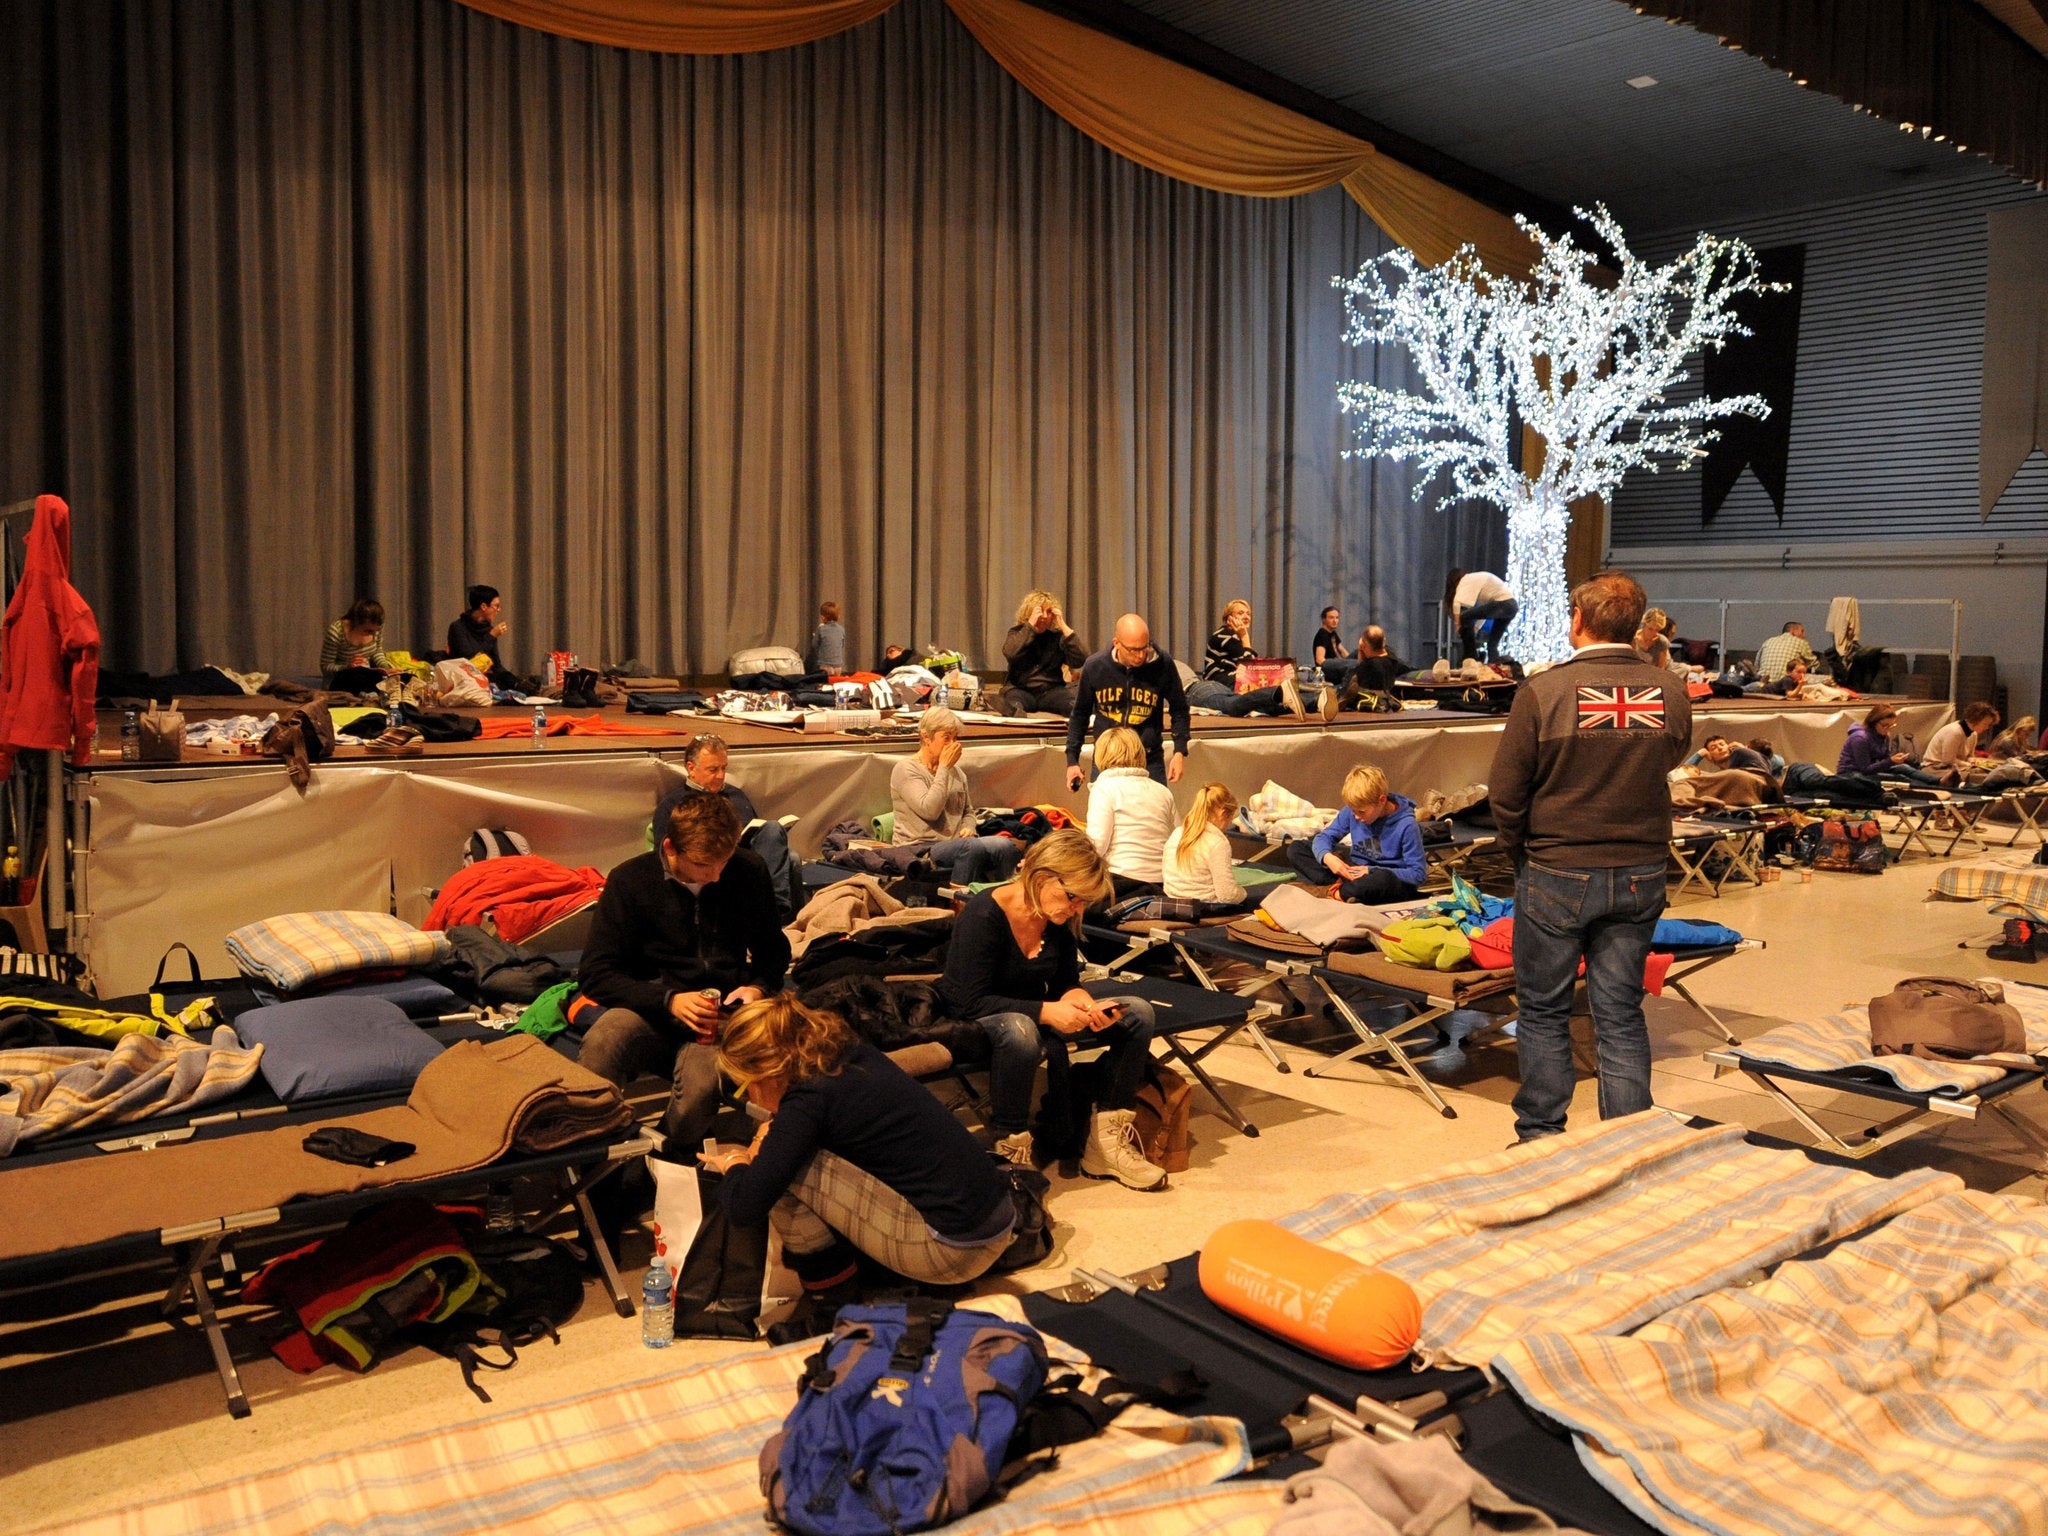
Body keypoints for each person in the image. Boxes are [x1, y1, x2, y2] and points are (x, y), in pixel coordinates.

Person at [1490, 569, 1690, 1143]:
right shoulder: (1670, 692)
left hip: (1556, 869)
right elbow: (1670, 758)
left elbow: (1506, 792)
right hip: (1641, 871)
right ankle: (1627, 1146)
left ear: (1577, 619)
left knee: (1546, 1012)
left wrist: (1521, 854)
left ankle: (1541, 1140)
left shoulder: (1544, 692)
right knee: (1620, 1012)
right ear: (1637, 628)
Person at [704, 995, 1015, 1323]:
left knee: (784, 1171)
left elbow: (744, 1206)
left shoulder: (809, 1100)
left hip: (957, 1252)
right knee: (786, 1152)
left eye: (744, 1087)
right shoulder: (849, 1051)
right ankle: (863, 1278)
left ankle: (831, 1301)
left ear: (768, 1071)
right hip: (996, 1221)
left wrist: (736, 1161)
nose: (749, 1096)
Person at [936, 829, 1167, 1189]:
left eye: (1082, 903)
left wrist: (1081, 1000)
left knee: (1137, 1012)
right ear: (1042, 877)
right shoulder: (983, 915)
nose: (1076, 909)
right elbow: (966, 1001)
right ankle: (1011, 1153)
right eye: (1073, 897)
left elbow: (1064, 984)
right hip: (974, 1023)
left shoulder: (1056, 917)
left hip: (1027, 1016)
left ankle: (1104, 1144)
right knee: (1019, 1029)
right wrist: (1047, 1012)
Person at [577, 793, 790, 1160]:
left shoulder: (748, 870)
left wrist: (757, 987)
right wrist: (669, 1000)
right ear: (671, 847)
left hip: (719, 1014)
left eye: (725, 861)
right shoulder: (630, 881)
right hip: (650, 1006)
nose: (717, 875)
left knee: (701, 1089)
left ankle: (660, 1158)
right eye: (706, 864)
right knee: (602, 1043)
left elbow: (774, 951)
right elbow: (595, 974)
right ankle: (591, 1158)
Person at [653, 733, 800, 920]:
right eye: (713, 770)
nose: (721, 776)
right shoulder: (673, 804)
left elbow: (756, 831)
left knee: (776, 836)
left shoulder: (736, 795)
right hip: (709, 861)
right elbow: (664, 852)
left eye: (724, 768)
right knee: (787, 857)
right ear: (691, 769)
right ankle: (771, 912)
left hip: (743, 857)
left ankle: (777, 911)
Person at [890, 706, 1024, 886]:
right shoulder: (906, 769)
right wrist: (944, 768)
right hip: (920, 846)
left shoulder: (957, 773)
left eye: (955, 738)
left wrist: (969, 828)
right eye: (947, 738)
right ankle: (958, 901)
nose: (953, 744)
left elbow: (968, 811)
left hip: (954, 844)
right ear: (926, 737)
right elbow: (930, 810)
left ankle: (1003, 899)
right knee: (971, 847)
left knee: (1004, 845)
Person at [1065, 613, 1192, 789]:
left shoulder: (1163, 664)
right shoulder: (1095, 666)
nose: (1140, 655)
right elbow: (1079, 715)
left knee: (1154, 814)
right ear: (1117, 643)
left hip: (1149, 758)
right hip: (1107, 759)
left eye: (1144, 647)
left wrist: (1179, 751)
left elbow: (1179, 710)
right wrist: (1072, 760)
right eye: (1133, 649)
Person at [1286, 764, 1426, 903]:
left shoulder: (1407, 825)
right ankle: (1343, 891)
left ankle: (1332, 892)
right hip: (1354, 871)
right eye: (1353, 811)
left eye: (1361, 812)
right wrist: (1328, 858)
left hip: (1385, 879)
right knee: (1297, 848)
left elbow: (1418, 875)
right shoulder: (1353, 811)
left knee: (1383, 879)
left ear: (1382, 801)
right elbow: (1324, 837)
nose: (1356, 816)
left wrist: (1370, 870)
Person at [1187, 600, 1322, 720]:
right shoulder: (1225, 635)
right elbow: (1250, 666)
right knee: (1270, 692)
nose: (1246, 617)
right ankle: (1315, 696)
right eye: (1240, 613)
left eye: (1248, 614)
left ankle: (1318, 697)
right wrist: (1245, 637)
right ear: (1229, 619)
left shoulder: (1234, 636)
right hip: (1222, 682)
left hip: (1234, 681)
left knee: (1281, 685)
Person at [1084, 726, 1177, 895]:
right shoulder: (1163, 791)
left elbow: (1097, 846)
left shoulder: (1103, 788)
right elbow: (1178, 839)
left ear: (1101, 754)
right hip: (1164, 883)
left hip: (1121, 883)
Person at [1000, 590, 1088, 717]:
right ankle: (1013, 712)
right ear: (1029, 613)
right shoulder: (1017, 632)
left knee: (1072, 705)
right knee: (1013, 704)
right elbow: (1010, 653)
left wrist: (1063, 626)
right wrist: (1030, 626)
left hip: (1051, 691)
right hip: (1020, 689)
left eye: (1049, 612)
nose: (1044, 617)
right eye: (1040, 612)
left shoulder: (1058, 637)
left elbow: (1081, 659)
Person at [1161, 783, 1249, 909]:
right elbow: (1228, 895)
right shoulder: (1217, 843)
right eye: (1230, 819)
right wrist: (1243, 892)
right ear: (1223, 813)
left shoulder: (1177, 833)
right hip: (1203, 908)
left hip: (1172, 903)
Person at [1838, 703, 1954, 787]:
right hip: (1851, 773)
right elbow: (1865, 769)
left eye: (1891, 725)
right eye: (1884, 725)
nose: (1888, 729)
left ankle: (1938, 781)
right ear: (1874, 722)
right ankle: (1929, 789)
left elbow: (1884, 760)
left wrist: (1895, 760)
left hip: (1870, 770)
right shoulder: (1860, 738)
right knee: (1899, 778)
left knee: (1904, 768)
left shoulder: (1884, 737)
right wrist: (1891, 761)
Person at [1444, 569, 1517, 664]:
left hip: (1503, 603)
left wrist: (1458, 624)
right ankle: (1495, 668)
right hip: (1512, 606)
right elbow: (1485, 613)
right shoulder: (1476, 581)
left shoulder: (1465, 580)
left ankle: (1471, 656)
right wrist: (1476, 628)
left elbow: (1456, 604)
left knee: (1464, 617)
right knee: (1492, 644)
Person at [319, 599, 395, 686]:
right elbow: (326, 667)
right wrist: (348, 667)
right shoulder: (337, 632)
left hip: (365, 681)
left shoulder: (376, 627)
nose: (373, 634)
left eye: (376, 630)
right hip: (339, 684)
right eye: (368, 631)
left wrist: (386, 669)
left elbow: (376, 651)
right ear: (355, 623)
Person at [447, 584, 509, 671]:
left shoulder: (488, 629)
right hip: (464, 678)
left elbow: (496, 665)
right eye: (496, 606)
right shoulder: (458, 627)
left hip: (486, 677)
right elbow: (470, 662)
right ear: (483, 606)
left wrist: (516, 682)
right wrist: (491, 636)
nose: (498, 610)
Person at [1925, 702, 2000, 770]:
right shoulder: (1954, 731)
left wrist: (1980, 763)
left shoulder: (1973, 734)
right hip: (1934, 767)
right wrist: (1969, 765)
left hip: (1951, 767)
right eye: (1985, 724)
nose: (1987, 728)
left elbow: (1969, 757)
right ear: (1975, 720)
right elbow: (1948, 760)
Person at [1348, 625, 1407, 696]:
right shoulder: (1392, 656)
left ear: (1364, 645)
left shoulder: (1369, 666)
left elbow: (1361, 668)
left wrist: (1360, 650)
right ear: (1383, 641)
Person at [1755, 621, 1819, 681]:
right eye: (1802, 631)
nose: (1804, 636)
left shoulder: (1768, 641)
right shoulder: (1801, 642)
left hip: (1762, 683)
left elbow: (1757, 666)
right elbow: (1814, 664)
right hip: (1786, 684)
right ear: (1793, 631)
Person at [1311, 607, 1357, 689]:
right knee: (1355, 663)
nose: (1335, 621)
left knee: (1358, 652)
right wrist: (1342, 664)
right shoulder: (1322, 635)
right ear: (1324, 620)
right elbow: (1319, 659)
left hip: (1336, 665)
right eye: (1331, 617)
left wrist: (1350, 661)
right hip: (1328, 670)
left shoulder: (1332, 633)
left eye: (1337, 618)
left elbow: (1343, 652)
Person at [1683, 734, 1770, 773]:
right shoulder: (1717, 776)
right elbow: (1682, 773)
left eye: (1722, 744)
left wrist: (1745, 750)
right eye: (1714, 748)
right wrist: (1700, 754)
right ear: (1710, 756)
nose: (1720, 748)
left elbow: (1778, 761)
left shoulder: (1744, 759)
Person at [806, 602, 846, 674]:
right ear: (839, 616)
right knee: (835, 683)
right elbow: (842, 644)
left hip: (825, 665)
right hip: (838, 665)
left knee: (825, 683)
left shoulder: (821, 629)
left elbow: (814, 645)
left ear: (822, 617)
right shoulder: (841, 629)